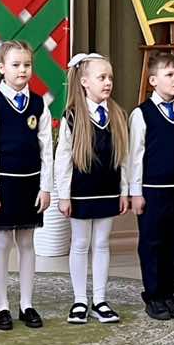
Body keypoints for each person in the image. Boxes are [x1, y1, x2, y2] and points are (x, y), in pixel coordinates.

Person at [0, 42, 51, 331]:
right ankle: (2, 305)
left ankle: (27, 304)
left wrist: (45, 187)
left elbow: (46, 149)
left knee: (27, 243)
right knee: (3, 243)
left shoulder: (39, 104)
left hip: (31, 184)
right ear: (2, 68)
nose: (22, 70)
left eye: (27, 65)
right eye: (16, 65)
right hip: (4, 184)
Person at [128, 51, 174, 321]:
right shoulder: (142, 114)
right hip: (152, 191)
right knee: (153, 243)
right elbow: (135, 156)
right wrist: (136, 192)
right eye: (169, 74)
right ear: (153, 80)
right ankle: (154, 295)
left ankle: (169, 293)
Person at [55, 53, 128, 324]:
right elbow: (63, 159)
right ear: (84, 82)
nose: (108, 82)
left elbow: (124, 158)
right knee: (80, 243)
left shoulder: (118, 115)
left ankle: (100, 300)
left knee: (101, 243)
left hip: (108, 190)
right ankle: (79, 301)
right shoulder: (72, 117)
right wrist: (64, 195)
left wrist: (124, 190)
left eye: (110, 78)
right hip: (81, 192)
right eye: (101, 77)